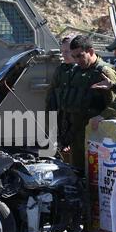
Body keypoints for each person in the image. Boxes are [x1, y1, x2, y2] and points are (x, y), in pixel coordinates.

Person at [64, 35, 116, 168]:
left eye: (80, 56)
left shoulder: (104, 72)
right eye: (74, 56)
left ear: (91, 52)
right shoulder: (76, 71)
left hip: (97, 137)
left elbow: (115, 108)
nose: (77, 60)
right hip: (76, 135)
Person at [45, 34, 77, 164]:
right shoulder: (61, 70)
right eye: (62, 51)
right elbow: (51, 95)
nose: (63, 55)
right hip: (62, 120)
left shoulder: (84, 70)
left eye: (67, 51)